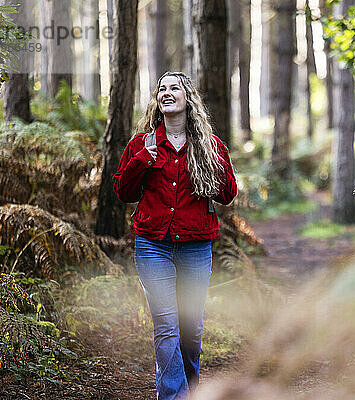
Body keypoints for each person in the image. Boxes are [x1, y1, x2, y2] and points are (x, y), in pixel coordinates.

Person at [113, 71, 237, 400]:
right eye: (161, 89)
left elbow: (227, 195)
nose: (167, 93)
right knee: (166, 326)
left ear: (187, 99)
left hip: (195, 247)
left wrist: (215, 162)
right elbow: (122, 191)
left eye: (174, 88)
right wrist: (141, 163)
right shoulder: (142, 145)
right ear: (157, 100)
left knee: (191, 328)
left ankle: (191, 390)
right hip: (153, 246)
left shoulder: (210, 146)